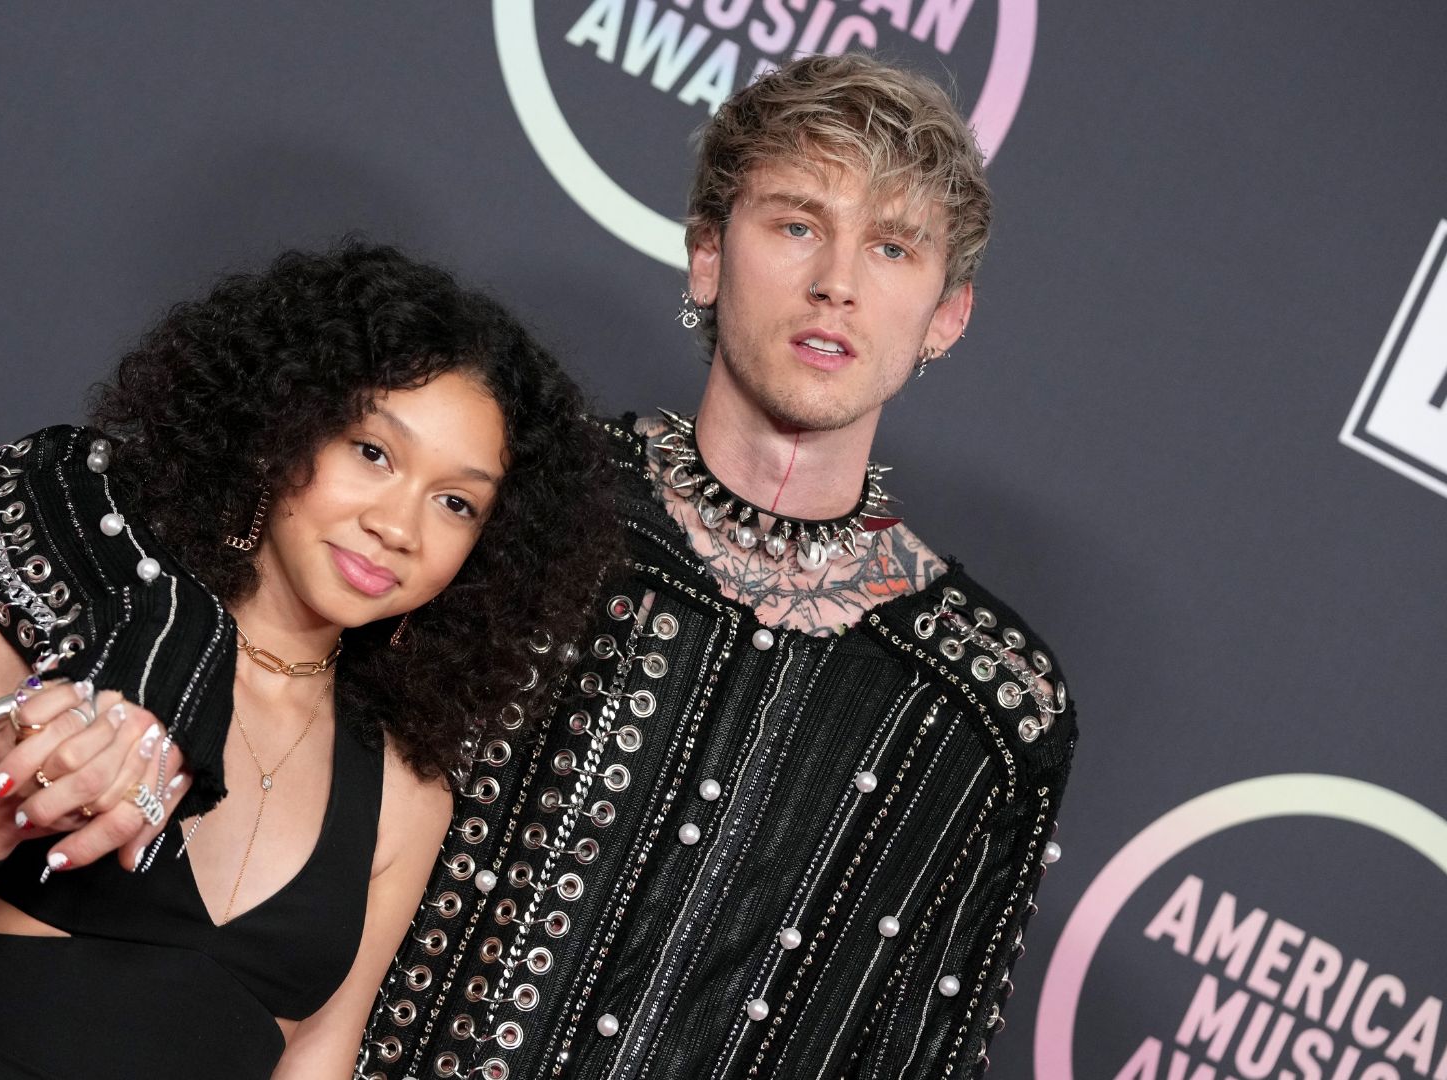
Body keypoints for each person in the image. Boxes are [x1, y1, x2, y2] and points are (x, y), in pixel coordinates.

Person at [0, 243, 621, 1079]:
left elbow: (318, 1057)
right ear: (287, 427)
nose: (400, 525)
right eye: (372, 452)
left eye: (457, 502)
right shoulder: (65, 642)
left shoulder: (406, 796)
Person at [362, 55, 1077, 1079]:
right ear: (707, 256)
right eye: (796, 225)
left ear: (947, 316)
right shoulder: (521, 499)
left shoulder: (989, 702)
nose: (836, 281)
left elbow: (925, 1053)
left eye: (891, 247)